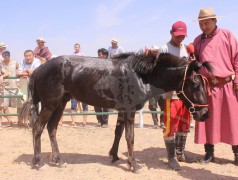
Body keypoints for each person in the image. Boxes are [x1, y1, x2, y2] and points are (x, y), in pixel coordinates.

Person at [193, 7, 238, 166]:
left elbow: (237, 59)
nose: (203, 27)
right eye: (201, 24)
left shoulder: (227, 35)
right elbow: (196, 64)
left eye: (206, 23)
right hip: (207, 88)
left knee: (233, 120)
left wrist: (237, 81)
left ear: (215, 21)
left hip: (226, 85)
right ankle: (209, 153)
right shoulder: (198, 41)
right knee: (207, 120)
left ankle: (237, 153)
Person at [159, 21, 191, 170]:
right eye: (178, 36)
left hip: (185, 93)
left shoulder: (186, 48)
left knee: (184, 123)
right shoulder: (164, 49)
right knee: (170, 125)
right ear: (171, 33)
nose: (180, 39)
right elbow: (159, 72)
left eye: (183, 36)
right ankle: (171, 157)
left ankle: (180, 153)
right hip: (170, 93)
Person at [17, 50, 41, 125]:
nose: (28, 57)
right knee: (22, 101)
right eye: (26, 56)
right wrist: (27, 72)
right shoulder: (22, 61)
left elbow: (35, 72)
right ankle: (21, 120)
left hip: (35, 85)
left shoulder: (37, 61)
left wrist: (25, 72)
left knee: (36, 103)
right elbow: (18, 73)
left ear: (33, 55)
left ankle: (35, 121)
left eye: (29, 55)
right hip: (24, 85)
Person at [0, 49, 20, 127]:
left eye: (8, 54)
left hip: (14, 86)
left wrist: (18, 81)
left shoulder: (15, 63)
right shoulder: (1, 64)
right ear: (2, 56)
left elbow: (19, 71)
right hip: (4, 86)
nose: (6, 55)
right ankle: (8, 121)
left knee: (19, 104)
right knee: (3, 105)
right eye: (4, 54)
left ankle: (20, 121)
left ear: (10, 54)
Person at [69, 43, 88, 126]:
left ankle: (84, 121)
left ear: (79, 48)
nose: (76, 48)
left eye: (77, 47)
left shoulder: (82, 55)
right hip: (74, 88)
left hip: (83, 88)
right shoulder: (72, 55)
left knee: (85, 105)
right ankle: (73, 121)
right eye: (75, 47)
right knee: (73, 105)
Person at [148, 45, 165, 129]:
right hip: (152, 88)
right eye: (153, 51)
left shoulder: (162, 61)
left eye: (156, 51)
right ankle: (155, 122)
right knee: (153, 106)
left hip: (162, 87)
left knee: (163, 105)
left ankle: (162, 122)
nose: (154, 52)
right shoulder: (148, 61)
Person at [94, 48, 110, 128]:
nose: (98, 56)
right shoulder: (96, 64)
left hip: (106, 87)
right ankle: (99, 120)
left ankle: (105, 122)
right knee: (96, 104)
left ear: (105, 55)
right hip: (97, 87)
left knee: (106, 105)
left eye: (99, 55)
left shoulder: (110, 64)